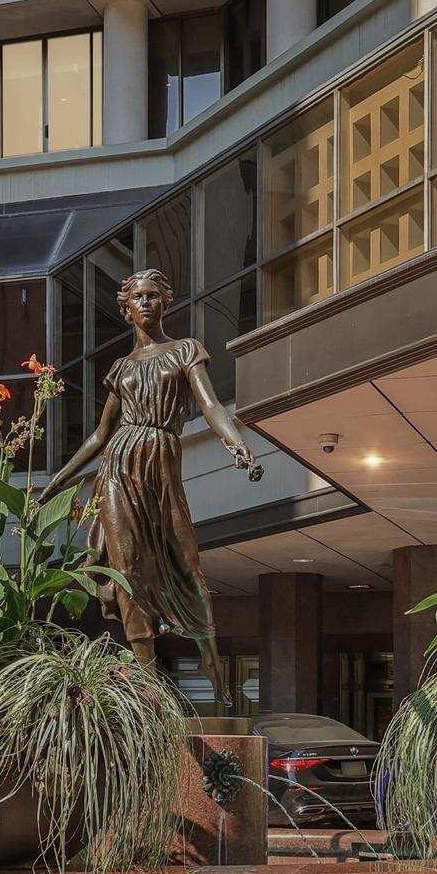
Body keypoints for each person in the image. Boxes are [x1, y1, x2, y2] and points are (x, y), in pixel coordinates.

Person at [38, 270, 263, 708]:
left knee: (187, 562)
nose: (145, 303)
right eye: (137, 297)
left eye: (154, 296)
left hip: (160, 463)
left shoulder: (185, 351)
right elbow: (100, 436)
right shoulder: (121, 368)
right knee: (127, 571)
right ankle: (147, 686)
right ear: (126, 308)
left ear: (166, 303)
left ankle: (211, 661)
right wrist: (59, 481)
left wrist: (237, 444)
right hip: (118, 468)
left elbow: (211, 404)